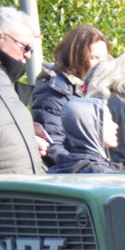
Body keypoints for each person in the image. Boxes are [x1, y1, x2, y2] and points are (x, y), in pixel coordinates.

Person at [31, 25, 110, 165]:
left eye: (103, 58)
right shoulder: (53, 90)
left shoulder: (95, 88)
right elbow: (52, 145)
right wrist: (84, 168)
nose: (101, 64)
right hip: (71, 176)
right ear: (76, 56)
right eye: (94, 57)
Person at [0, 7, 45, 174]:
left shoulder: (8, 84)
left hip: (21, 192)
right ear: (0, 37)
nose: (28, 55)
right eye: (25, 47)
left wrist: (28, 138)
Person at [48, 97, 119, 174]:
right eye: (109, 120)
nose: (116, 125)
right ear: (91, 126)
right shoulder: (99, 172)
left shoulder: (60, 167)